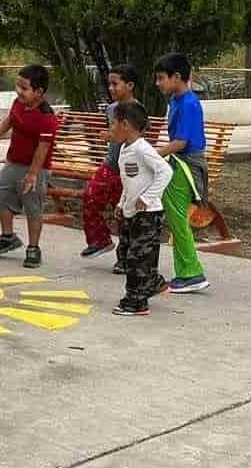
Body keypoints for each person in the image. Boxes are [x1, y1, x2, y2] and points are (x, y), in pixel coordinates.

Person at [0, 63, 59, 268]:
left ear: (39, 92)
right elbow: (10, 120)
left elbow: (42, 149)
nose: (19, 91)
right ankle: (8, 238)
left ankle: (33, 248)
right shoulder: (18, 103)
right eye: (18, 86)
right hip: (14, 161)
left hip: (36, 168)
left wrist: (33, 175)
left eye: (24, 88)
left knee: (32, 206)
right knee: (0, 194)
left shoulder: (47, 117)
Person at [155, 52, 211, 293]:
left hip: (186, 164)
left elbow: (181, 141)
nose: (158, 84)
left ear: (176, 77)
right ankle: (185, 271)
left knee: (178, 219)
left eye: (161, 78)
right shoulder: (176, 100)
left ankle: (192, 272)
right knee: (175, 217)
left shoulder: (188, 103)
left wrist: (152, 154)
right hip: (178, 162)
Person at [110, 101, 172, 316]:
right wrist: (121, 203)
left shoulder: (143, 149)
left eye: (113, 124)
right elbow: (129, 181)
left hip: (148, 214)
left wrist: (147, 197)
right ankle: (152, 282)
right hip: (132, 212)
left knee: (138, 258)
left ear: (125, 124)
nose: (111, 129)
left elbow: (165, 171)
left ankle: (136, 301)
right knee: (129, 254)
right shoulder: (125, 149)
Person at [80, 63, 143, 267]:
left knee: (125, 214)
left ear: (130, 85)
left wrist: (113, 135)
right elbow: (114, 136)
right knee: (90, 196)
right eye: (109, 84)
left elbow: (137, 139)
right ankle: (100, 240)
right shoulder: (111, 109)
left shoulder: (137, 110)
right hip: (109, 166)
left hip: (129, 171)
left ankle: (125, 258)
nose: (111, 88)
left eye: (115, 84)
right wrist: (109, 137)